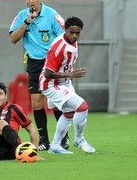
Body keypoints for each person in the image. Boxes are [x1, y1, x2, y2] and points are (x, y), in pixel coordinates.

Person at [9, 0, 68, 151]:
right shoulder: (21, 16)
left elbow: (64, 37)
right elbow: (13, 39)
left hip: (52, 62)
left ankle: (63, 137)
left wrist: (60, 60)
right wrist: (27, 22)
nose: (31, 1)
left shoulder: (52, 15)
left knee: (55, 102)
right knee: (36, 102)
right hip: (34, 62)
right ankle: (44, 140)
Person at [39, 16, 96, 154]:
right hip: (51, 84)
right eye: (72, 32)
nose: (75, 36)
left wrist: (69, 74)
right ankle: (79, 139)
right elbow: (47, 73)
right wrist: (71, 75)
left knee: (69, 113)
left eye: (78, 33)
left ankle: (55, 146)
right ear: (65, 30)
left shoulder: (72, 41)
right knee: (83, 107)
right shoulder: (59, 48)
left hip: (64, 82)